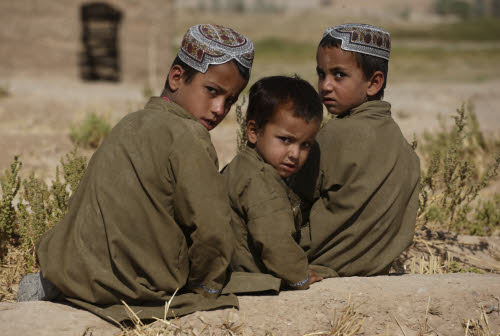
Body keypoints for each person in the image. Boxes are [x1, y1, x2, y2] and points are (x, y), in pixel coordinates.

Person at [17, 24, 254, 323]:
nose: (220, 108)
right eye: (212, 92)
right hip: (135, 286)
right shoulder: (190, 136)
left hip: (71, 267)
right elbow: (212, 230)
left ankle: (60, 284)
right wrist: (206, 287)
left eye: (231, 100)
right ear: (177, 77)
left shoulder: (129, 122)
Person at [292, 23, 420, 278]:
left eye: (339, 75)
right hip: (374, 269)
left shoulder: (335, 135)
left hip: (316, 261)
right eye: (321, 74)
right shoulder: (405, 149)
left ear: (373, 83)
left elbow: (291, 199)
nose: (325, 85)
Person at [221, 76, 325, 294]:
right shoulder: (260, 180)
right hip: (248, 276)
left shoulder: (242, 165)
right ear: (253, 131)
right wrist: (298, 275)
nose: (295, 154)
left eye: (305, 145)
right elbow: (274, 241)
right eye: (285, 140)